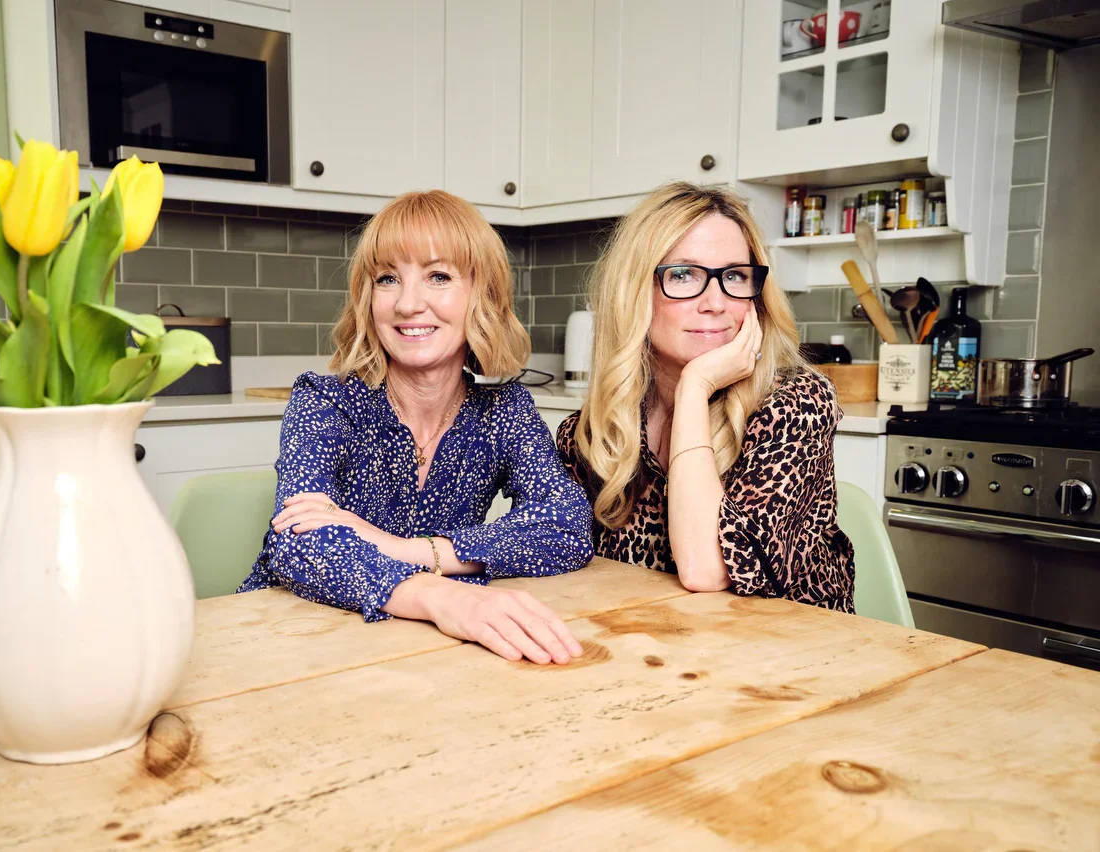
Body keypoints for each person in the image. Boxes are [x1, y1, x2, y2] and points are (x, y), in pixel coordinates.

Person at [238, 190, 594, 664]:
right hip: (293, 641)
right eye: (388, 279)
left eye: (438, 276)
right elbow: (296, 542)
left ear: (482, 295)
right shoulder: (326, 402)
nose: (408, 304)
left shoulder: (504, 410)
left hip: (424, 652)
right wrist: (443, 596)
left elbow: (567, 526)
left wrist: (401, 548)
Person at [556, 182, 854, 611]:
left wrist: (695, 387)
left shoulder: (796, 404)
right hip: (648, 637)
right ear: (633, 291)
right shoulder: (596, 431)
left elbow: (707, 570)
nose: (715, 302)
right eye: (683, 275)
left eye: (734, 276)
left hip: (787, 646)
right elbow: (553, 549)